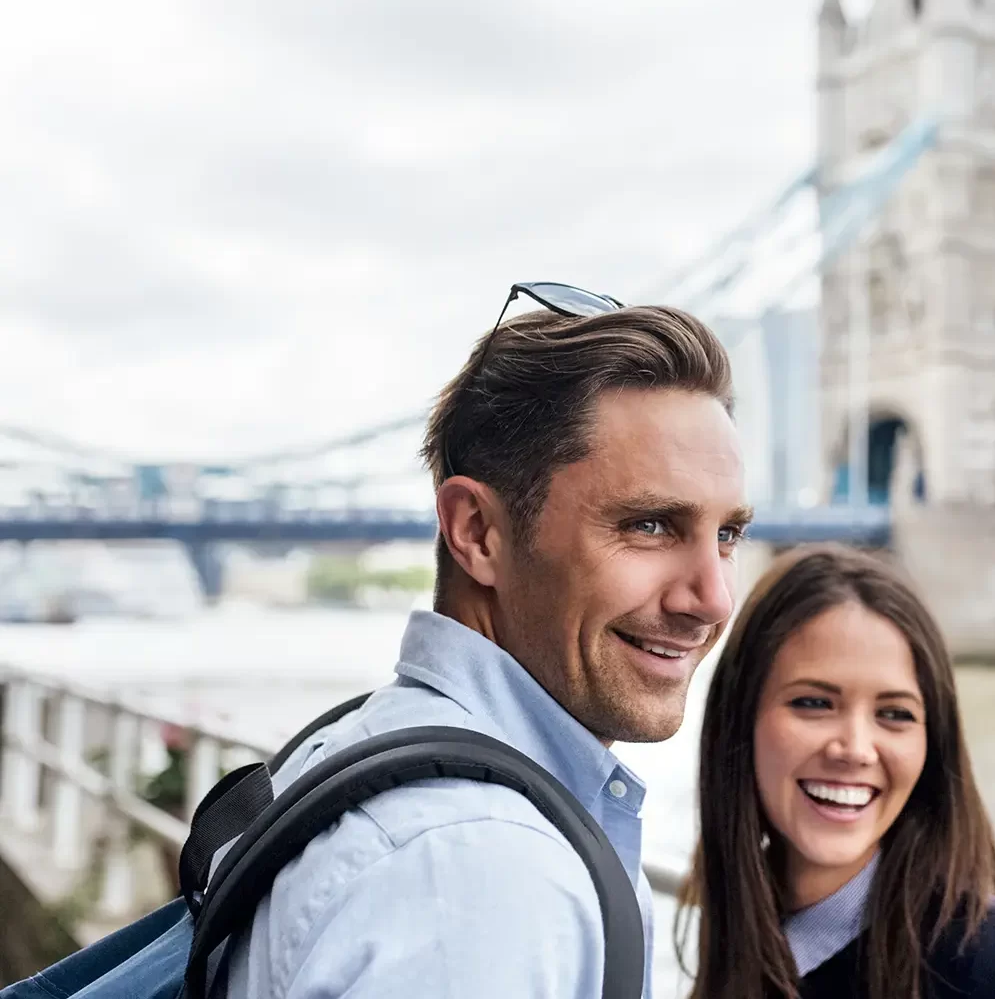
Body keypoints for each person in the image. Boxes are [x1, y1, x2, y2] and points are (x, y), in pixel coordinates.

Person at [222, 283, 752, 998]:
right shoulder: (483, 874)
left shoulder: (355, 747)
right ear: (476, 532)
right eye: (649, 525)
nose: (713, 599)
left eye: (726, 535)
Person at [676, 544, 995, 999]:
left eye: (895, 714)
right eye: (814, 703)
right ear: (739, 718)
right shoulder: (748, 935)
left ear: (932, 744)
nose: (855, 750)